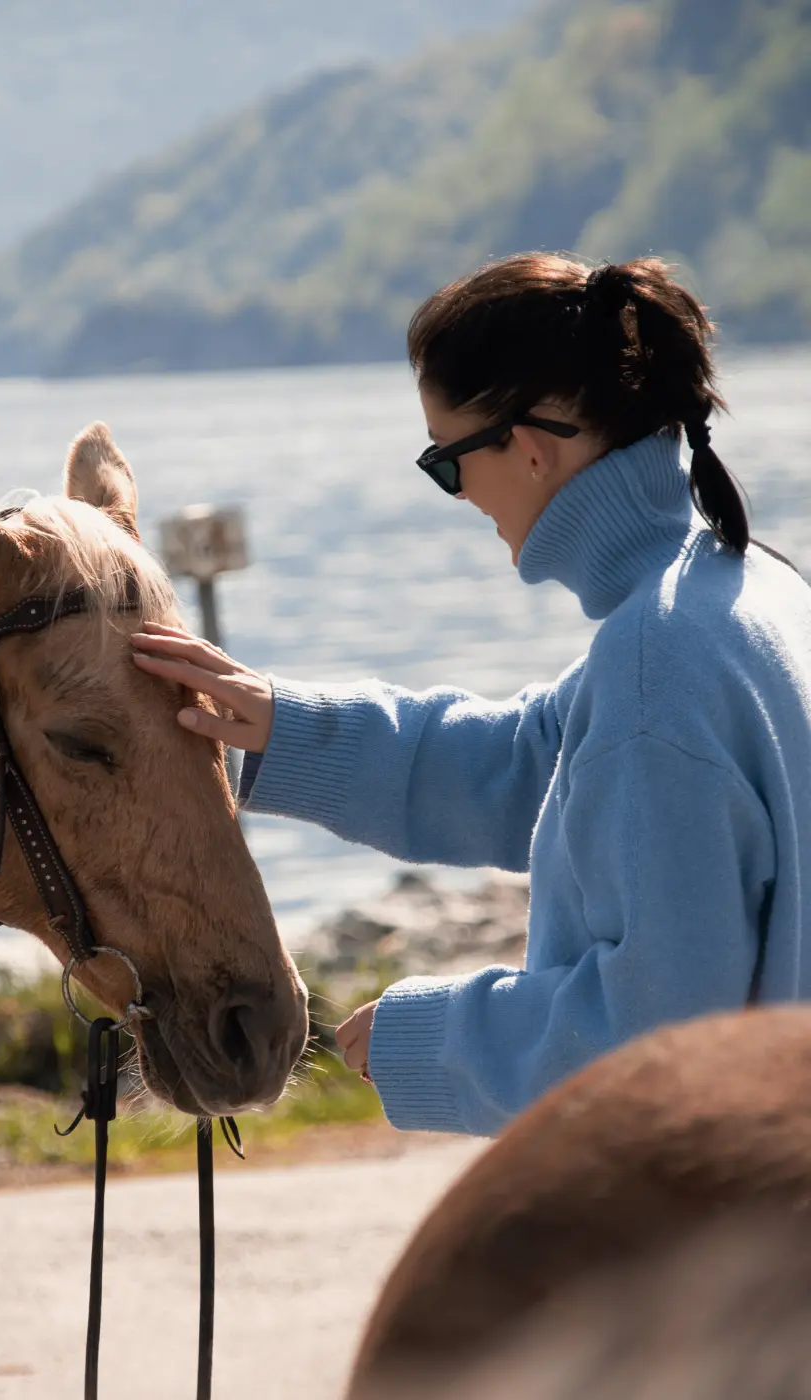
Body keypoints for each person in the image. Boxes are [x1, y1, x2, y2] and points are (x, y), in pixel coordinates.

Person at [131, 253, 811, 1136]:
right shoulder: (745, 588)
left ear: (529, 447)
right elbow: (538, 768)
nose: (456, 495)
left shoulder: (657, 664)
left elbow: (656, 1044)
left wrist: (435, 1036)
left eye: (446, 462)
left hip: (735, 1233)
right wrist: (284, 730)